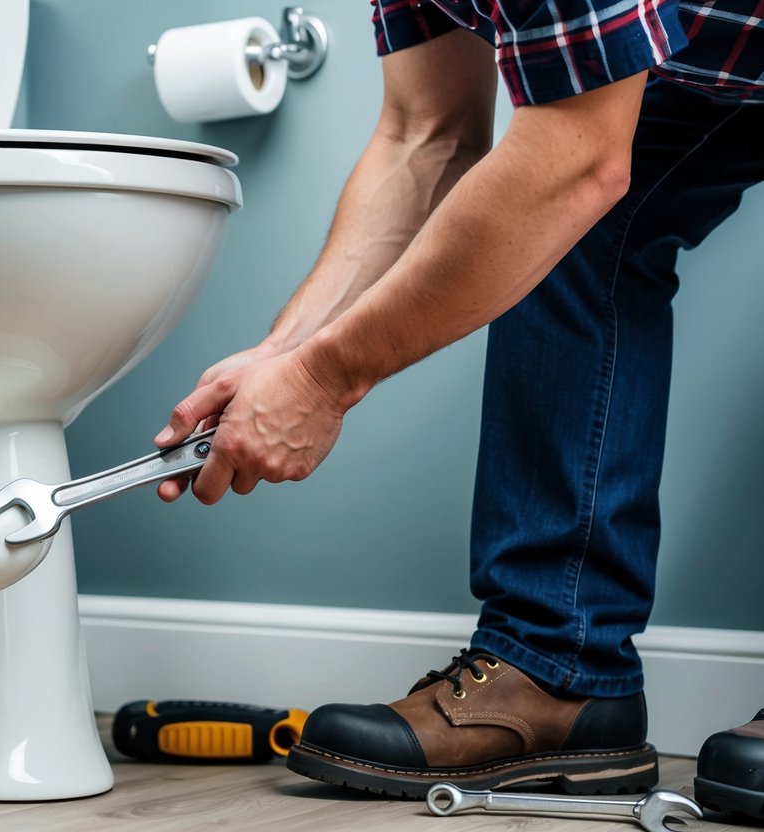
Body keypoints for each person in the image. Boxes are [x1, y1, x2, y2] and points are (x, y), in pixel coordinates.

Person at [153, 0, 764, 813]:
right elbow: (427, 133)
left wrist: (323, 382)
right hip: (716, 64)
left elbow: (580, 162)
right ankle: (557, 675)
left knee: (561, 178)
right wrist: (286, 357)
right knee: (543, 223)